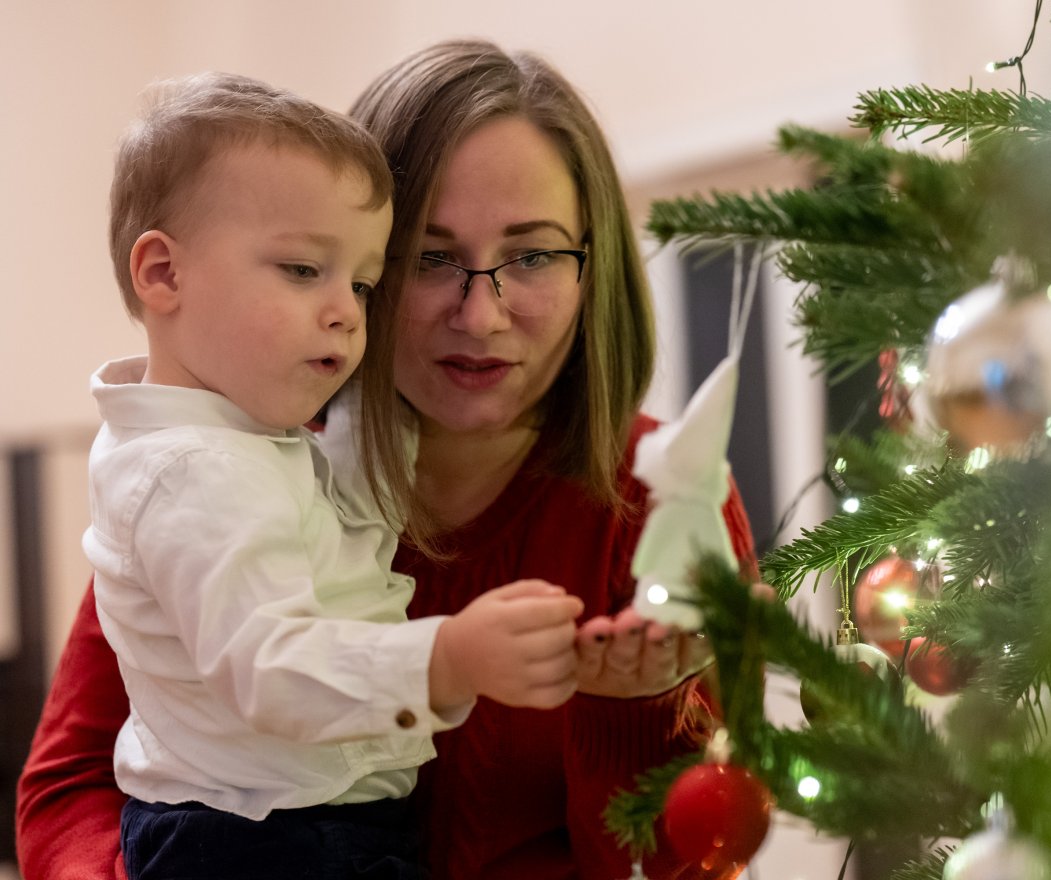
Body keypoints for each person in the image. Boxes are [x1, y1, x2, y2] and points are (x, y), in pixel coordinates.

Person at [17, 39, 757, 880]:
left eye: (533, 254)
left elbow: (697, 862)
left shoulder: (665, 494)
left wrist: (632, 710)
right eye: (429, 258)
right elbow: (70, 784)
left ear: (596, 271)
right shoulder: (225, 472)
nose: (480, 316)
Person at [81, 71, 585, 879]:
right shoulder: (194, 474)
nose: (350, 312)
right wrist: (446, 658)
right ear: (164, 275)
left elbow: (340, 526)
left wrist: (391, 409)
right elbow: (270, 670)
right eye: (303, 271)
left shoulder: (240, 441)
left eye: (364, 282)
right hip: (262, 844)